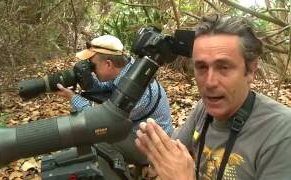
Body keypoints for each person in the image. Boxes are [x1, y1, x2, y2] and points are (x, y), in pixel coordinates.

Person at [135, 14, 291, 180]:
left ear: (251, 70)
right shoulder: (204, 109)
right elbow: (175, 154)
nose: (209, 83)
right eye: (201, 67)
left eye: (223, 67)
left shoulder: (281, 133)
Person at [56, 35, 173, 166]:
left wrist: (72, 97)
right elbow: (107, 87)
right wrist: (89, 83)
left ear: (108, 64)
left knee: (93, 135)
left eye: (93, 66)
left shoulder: (137, 90)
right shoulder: (129, 69)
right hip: (138, 131)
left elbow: (102, 122)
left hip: (154, 147)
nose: (91, 70)